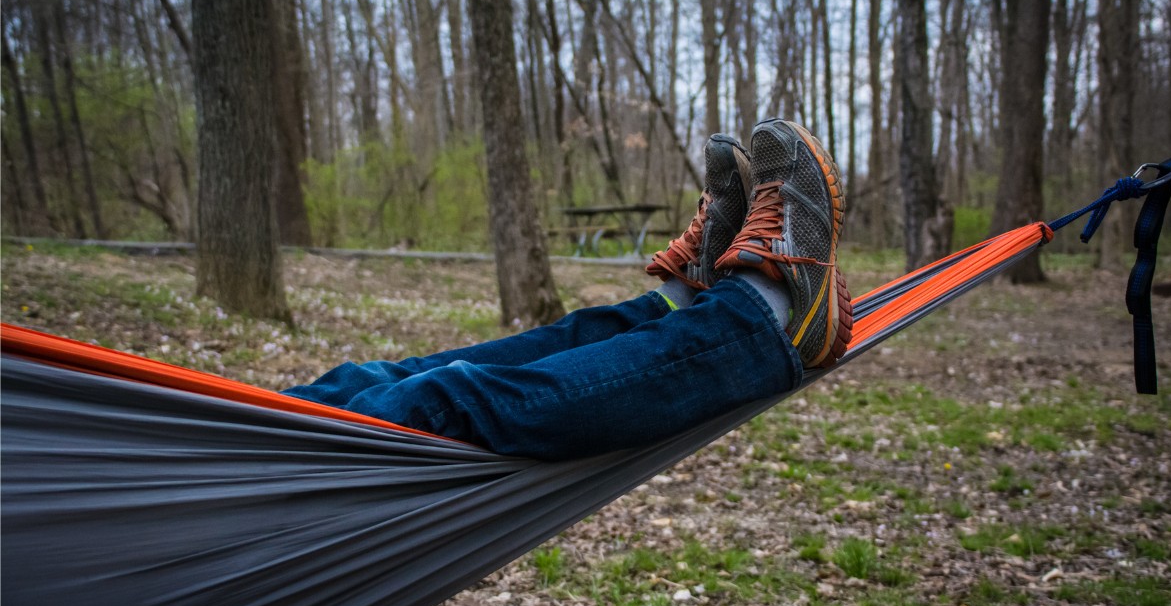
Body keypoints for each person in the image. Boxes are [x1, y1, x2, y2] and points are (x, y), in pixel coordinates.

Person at [284, 119, 853, 460]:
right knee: (435, 403)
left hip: (257, 443)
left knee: (363, 385)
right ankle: (761, 324)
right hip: (297, 472)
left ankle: (680, 307)